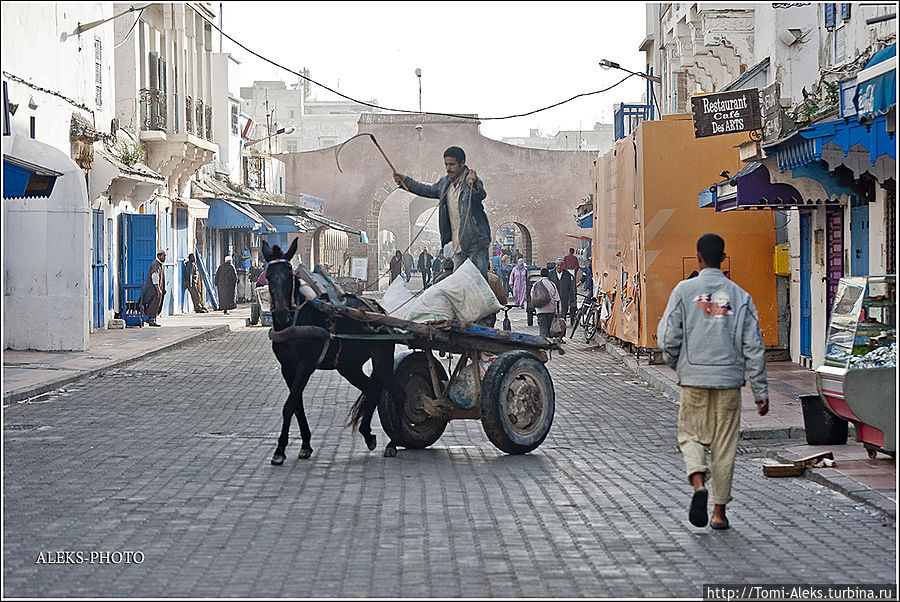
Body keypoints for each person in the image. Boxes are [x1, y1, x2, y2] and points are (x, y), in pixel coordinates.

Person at [657, 233, 769, 531]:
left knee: (691, 436)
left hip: (694, 380)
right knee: (724, 445)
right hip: (729, 382)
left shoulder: (683, 291)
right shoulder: (740, 296)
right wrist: (760, 390)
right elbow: (754, 346)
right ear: (723, 257)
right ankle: (719, 513)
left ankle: (698, 485)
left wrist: (676, 363)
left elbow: (668, 336)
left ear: (698, 257)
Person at [393, 146, 491, 281]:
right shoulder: (444, 183)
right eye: (446, 164)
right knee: (458, 283)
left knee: (479, 283)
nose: (448, 168)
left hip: (476, 243)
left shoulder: (471, 180)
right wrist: (406, 181)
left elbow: (480, 194)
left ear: (462, 163)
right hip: (458, 245)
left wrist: (473, 184)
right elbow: (426, 190)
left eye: (452, 164)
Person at [140, 250, 167, 326]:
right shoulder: (156, 265)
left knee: (156, 304)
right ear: (159, 256)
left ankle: (151, 318)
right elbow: (154, 276)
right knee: (153, 304)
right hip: (153, 290)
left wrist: (163, 289)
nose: (165, 258)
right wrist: (158, 289)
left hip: (157, 289)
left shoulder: (160, 265)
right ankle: (151, 320)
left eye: (165, 256)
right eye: (163, 256)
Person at [549, 258, 576, 325]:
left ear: (563, 265)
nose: (559, 267)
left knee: (563, 313)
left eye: (561, 265)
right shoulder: (551, 274)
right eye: (558, 265)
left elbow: (570, 287)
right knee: (554, 313)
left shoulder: (567, 274)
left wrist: (572, 299)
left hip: (564, 297)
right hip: (554, 298)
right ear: (555, 265)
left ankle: (562, 328)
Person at [533, 268, 560, 338]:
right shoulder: (552, 284)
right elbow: (557, 299)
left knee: (543, 330)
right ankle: (550, 344)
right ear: (548, 275)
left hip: (540, 310)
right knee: (549, 329)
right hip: (550, 310)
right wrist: (558, 312)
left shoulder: (535, 285)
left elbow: (532, 296)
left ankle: (543, 343)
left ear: (540, 275)